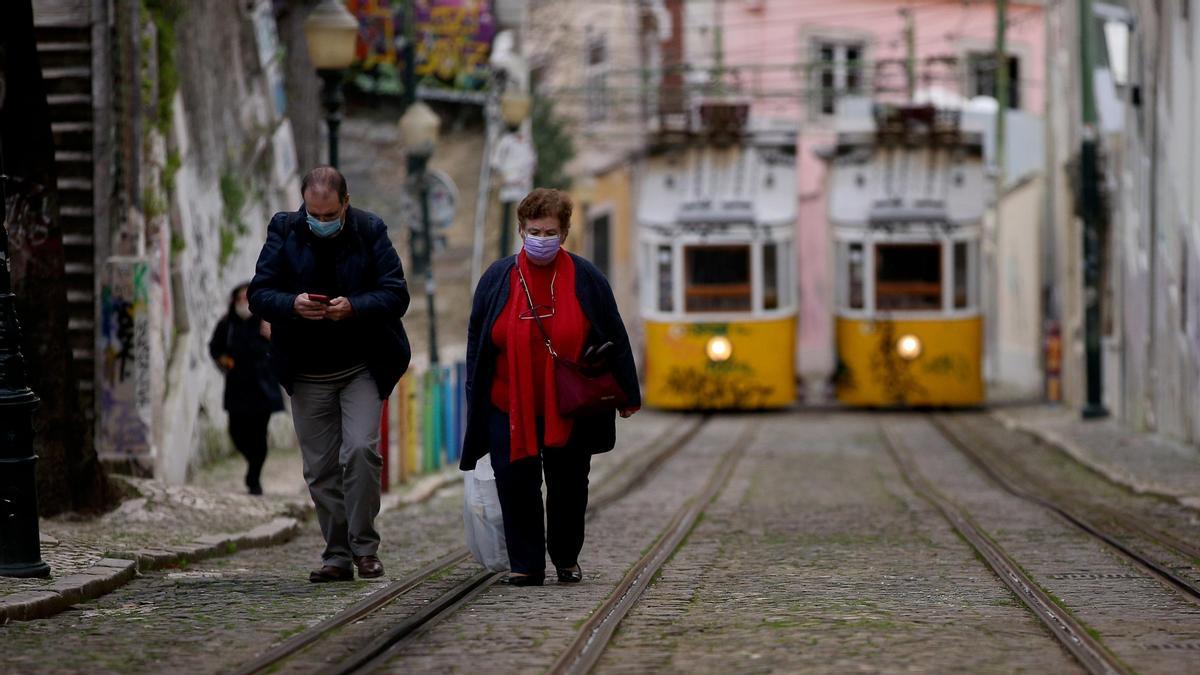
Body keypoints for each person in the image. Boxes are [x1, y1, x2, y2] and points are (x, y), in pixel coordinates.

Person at [460, 188, 640, 586]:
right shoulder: (497, 278)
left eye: (550, 231)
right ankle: (526, 564)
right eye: (534, 231)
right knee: (514, 480)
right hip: (508, 401)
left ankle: (565, 557)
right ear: (521, 230)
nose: (542, 239)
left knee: (569, 484)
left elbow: (613, 331)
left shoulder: (586, 277)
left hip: (570, 403)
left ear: (565, 232)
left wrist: (627, 392)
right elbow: (478, 339)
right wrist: (475, 396)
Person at [248, 166, 411, 583]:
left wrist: (354, 306)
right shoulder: (284, 230)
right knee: (320, 468)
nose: (320, 221)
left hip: (361, 366)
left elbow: (396, 292)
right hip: (305, 370)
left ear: (345, 204)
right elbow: (260, 294)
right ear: (303, 205)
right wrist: (292, 304)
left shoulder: (370, 230)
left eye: (328, 214)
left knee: (359, 451)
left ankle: (365, 548)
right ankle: (337, 554)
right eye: (313, 214)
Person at [208, 283, 284, 496]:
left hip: (262, 389)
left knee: (259, 436)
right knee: (236, 432)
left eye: (247, 298)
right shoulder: (226, 325)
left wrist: (272, 336)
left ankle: (254, 478)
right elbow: (215, 348)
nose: (244, 302)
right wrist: (224, 361)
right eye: (240, 298)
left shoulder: (265, 322)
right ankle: (253, 463)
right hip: (237, 388)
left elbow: (282, 347)